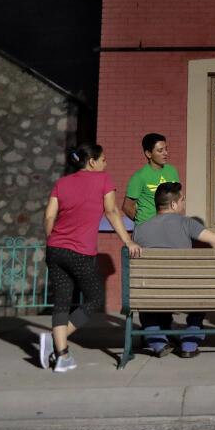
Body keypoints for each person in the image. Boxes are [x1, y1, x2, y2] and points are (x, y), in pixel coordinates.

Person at [40, 142, 141, 372]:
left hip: (54, 248)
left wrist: (53, 240)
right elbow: (112, 211)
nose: (106, 163)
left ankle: (62, 354)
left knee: (62, 302)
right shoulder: (102, 179)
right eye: (103, 159)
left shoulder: (61, 183)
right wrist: (128, 240)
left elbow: (48, 216)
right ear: (93, 161)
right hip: (79, 251)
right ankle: (58, 341)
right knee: (94, 299)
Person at [132, 182, 215, 357]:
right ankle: (189, 342)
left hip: (149, 293)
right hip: (183, 292)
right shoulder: (187, 223)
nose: (184, 203)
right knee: (202, 290)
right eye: (182, 199)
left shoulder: (139, 229)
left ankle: (157, 341)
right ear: (173, 204)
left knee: (145, 296)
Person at [122, 133, 181, 224]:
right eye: (160, 150)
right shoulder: (139, 176)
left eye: (166, 149)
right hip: (148, 229)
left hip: (169, 226)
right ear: (148, 154)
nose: (165, 153)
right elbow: (127, 207)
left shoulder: (172, 171)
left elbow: (178, 197)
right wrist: (143, 223)